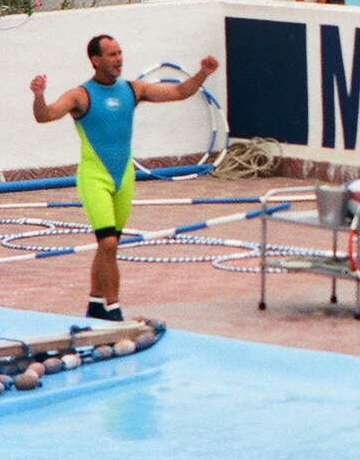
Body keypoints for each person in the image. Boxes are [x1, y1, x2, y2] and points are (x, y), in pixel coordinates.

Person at [31, 36, 219, 321]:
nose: (118, 59)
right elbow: (44, 116)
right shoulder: (80, 96)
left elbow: (179, 91)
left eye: (120, 53)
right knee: (108, 244)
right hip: (94, 178)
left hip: (124, 178)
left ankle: (95, 304)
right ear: (95, 60)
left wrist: (202, 74)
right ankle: (114, 307)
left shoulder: (133, 89)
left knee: (109, 244)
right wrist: (38, 96)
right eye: (111, 54)